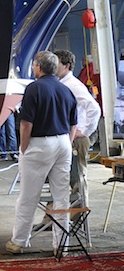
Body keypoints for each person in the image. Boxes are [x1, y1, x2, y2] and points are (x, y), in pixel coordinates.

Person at [6, 51, 77, 255]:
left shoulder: (34, 89)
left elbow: (26, 123)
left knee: (28, 195)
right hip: (63, 141)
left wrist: (23, 148)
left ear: (38, 66)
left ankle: (19, 241)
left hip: (39, 143)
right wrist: (67, 143)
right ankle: (61, 244)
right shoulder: (66, 90)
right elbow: (74, 124)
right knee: (61, 195)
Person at [54, 49, 101, 202]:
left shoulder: (74, 85)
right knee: (68, 177)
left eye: (57, 64)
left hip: (77, 138)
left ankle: (80, 217)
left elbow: (94, 108)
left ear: (66, 65)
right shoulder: (62, 84)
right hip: (69, 135)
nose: (54, 67)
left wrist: (85, 130)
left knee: (78, 178)